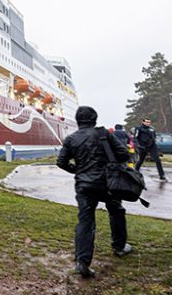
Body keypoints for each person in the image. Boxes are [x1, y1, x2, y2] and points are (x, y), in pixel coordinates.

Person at [56, 106, 133, 278]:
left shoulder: (71, 139)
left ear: (77, 120)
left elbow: (61, 162)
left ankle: (82, 261)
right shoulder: (103, 134)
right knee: (117, 211)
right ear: (94, 119)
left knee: (85, 221)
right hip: (107, 183)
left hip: (84, 185)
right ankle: (119, 247)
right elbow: (124, 154)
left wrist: (77, 170)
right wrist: (111, 160)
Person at [133, 118, 166, 182]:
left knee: (157, 160)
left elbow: (154, 136)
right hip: (142, 146)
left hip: (152, 146)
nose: (148, 123)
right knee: (140, 160)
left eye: (149, 122)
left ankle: (162, 175)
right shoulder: (138, 128)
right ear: (143, 122)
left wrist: (154, 144)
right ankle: (135, 172)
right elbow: (135, 138)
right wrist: (139, 145)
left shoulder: (152, 128)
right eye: (147, 122)